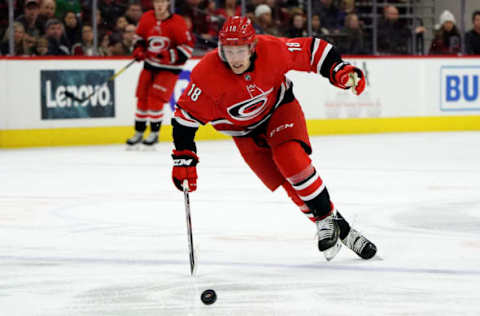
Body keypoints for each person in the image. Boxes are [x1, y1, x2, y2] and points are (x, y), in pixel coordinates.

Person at [170, 16, 377, 261]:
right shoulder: (207, 74)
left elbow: (313, 50)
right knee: (291, 186)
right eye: (229, 51)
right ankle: (343, 230)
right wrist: (184, 158)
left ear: (252, 47)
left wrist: (339, 70)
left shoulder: (272, 50)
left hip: (279, 111)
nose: (235, 58)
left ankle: (324, 220)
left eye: (240, 50)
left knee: (289, 159)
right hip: (243, 134)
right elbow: (185, 119)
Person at [126, 0, 194, 147]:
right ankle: (139, 132)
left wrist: (169, 55)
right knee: (142, 98)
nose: (160, 5)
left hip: (169, 69)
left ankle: (154, 133)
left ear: (168, 3)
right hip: (150, 65)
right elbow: (140, 38)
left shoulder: (178, 22)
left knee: (155, 99)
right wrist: (138, 50)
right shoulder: (147, 18)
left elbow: (188, 48)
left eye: (163, 1)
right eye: (157, 1)